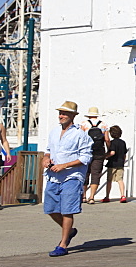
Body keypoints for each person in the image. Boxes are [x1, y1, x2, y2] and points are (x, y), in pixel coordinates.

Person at [42, 101, 93, 256]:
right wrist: (45, 159)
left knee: (67, 210)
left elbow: (86, 157)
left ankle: (63, 245)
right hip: (53, 176)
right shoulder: (54, 132)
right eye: (60, 113)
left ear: (73, 116)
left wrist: (65, 165)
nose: (61, 116)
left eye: (64, 113)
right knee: (50, 209)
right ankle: (69, 230)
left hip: (72, 176)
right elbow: (49, 150)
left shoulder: (80, 134)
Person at [81, 107, 109, 205]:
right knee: (95, 174)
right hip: (99, 152)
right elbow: (107, 139)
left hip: (86, 151)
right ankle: (92, 197)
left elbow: (80, 138)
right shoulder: (103, 124)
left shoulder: (83, 124)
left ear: (88, 115)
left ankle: (83, 196)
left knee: (85, 173)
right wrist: (109, 150)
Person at [101, 125, 129, 203]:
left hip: (112, 163)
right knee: (120, 180)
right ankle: (123, 195)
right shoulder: (123, 142)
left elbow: (112, 152)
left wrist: (105, 156)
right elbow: (124, 154)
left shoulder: (112, 143)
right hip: (120, 163)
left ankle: (107, 196)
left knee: (109, 180)